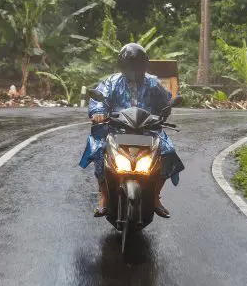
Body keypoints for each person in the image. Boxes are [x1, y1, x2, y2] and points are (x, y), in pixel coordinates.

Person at [79, 43, 184, 218]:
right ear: (122, 67)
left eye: (137, 66)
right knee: (98, 149)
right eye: (129, 67)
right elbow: (99, 99)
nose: (133, 71)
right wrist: (98, 112)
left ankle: (156, 196)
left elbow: (165, 102)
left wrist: (163, 114)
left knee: (168, 151)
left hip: (147, 129)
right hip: (115, 128)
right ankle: (104, 195)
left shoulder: (153, 83)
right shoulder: (111, 82)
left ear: (144, 66)